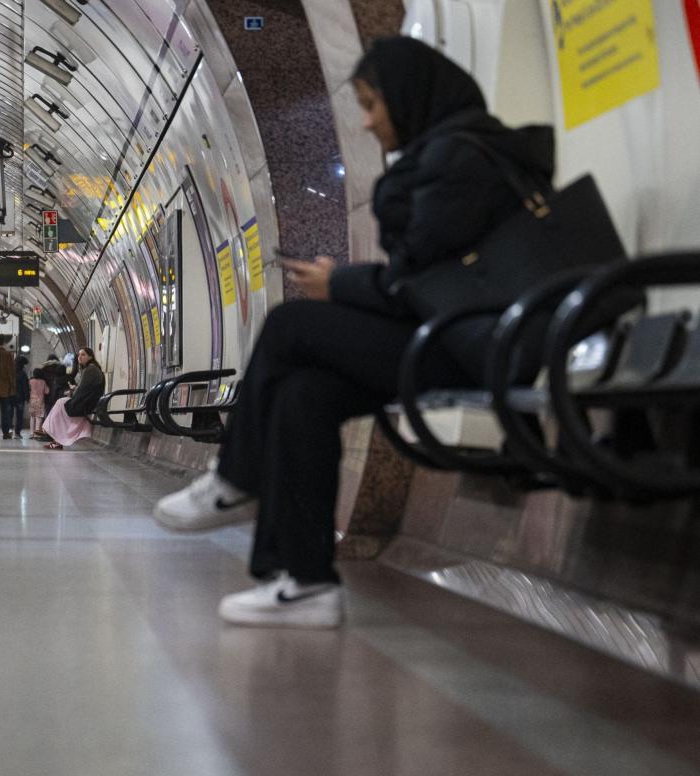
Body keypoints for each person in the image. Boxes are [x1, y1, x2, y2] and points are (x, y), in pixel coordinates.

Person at [153, 36, 554, 628]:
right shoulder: (449, 156)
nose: (365, 122)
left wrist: (339, 285)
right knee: (302, 395)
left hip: (477, 347)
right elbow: (430, 278)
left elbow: (419, 281)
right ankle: (305, 582)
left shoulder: (459, 160)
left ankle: (236, 477)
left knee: (290, 324)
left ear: (409, 97)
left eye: (372, 104)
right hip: (455, 338)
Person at [41, 348, 105, 450]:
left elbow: (81, 389)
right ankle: (51, 433)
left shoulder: (90, 369)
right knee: (60, 403)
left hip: (87, 402)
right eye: (79, 355)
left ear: (91, 356)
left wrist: (72, 395)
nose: (80, 357)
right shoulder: (90, 368)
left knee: (61, 404)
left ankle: (50, 431)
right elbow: (83, 387)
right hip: (88, 400)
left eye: (83, 355)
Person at [12, 355, 30, 439]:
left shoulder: (11, 372)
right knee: (19, 416)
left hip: (10, 396)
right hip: (20, 398)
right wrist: (27, 397)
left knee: (9, 414)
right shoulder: (23, 374)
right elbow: (25, 386)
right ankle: (17, 433)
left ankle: (8, 431)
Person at [27, 368, 50, 436]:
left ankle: (31, 432)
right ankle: (36, 433)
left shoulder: (30, 381)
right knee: (39, 417)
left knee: (32, 417)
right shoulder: (43, 382)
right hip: (40, 401)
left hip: (32, 400)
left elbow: (28, 389)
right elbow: (47, 391)